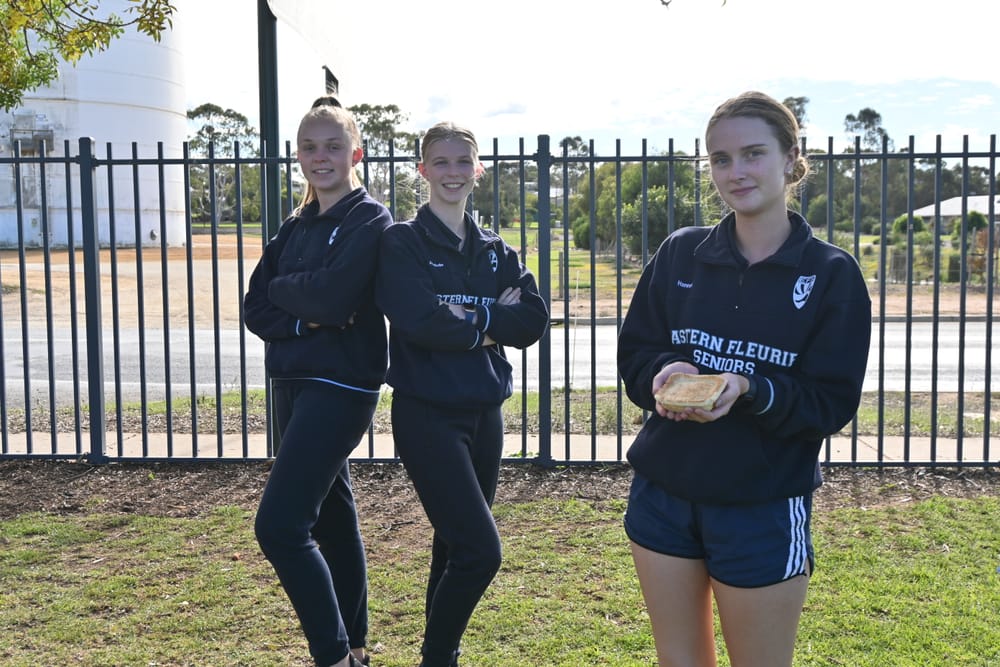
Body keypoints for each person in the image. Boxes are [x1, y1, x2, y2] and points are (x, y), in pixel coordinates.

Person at [617, 90, 872, 667]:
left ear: (790, 158)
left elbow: (829, 403)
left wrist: (749, 388)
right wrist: (665, 372)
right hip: (663, 493)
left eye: (753, 153)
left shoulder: (831, 273)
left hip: (761, 501)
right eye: (720, 159)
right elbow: (636, 354)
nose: (736, 172)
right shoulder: (680, 253)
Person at [375, 121, 549, 667]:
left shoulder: (495, 248)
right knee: (480, 552)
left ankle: (441, 653)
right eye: (441, 162)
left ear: (478, 169)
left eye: (463, 162)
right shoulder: (402, 242)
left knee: (452, 546)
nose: (453, 172)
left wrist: (471, 318)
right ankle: (436, 657)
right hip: (427, 415)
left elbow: (535, 319)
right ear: (422, 170)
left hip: (485, 414)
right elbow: (418, 321)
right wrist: (496, 318)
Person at [243, 97, 392, 667]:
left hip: (343, 384)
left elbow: (336, 296)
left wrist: (301, 297)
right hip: (292, 380)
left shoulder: (369, 219)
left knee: (280, 525)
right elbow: (258, 303)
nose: (320, 157)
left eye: (333, 146)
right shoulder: (294, 224)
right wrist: (309, 310)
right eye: (309, 147)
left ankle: (330, 656)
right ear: (298, 155)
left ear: (355, 153)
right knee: (332, 513)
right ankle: (354, 648)